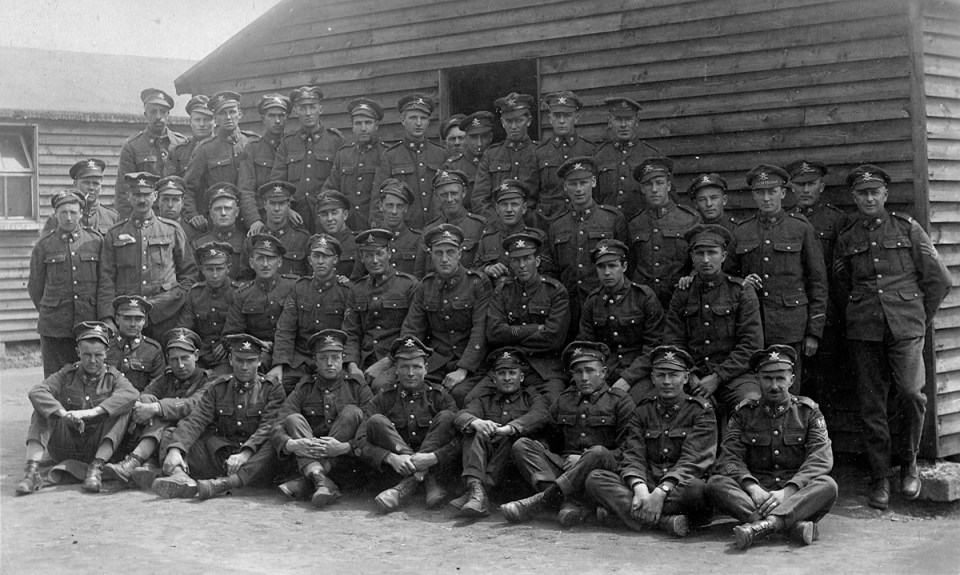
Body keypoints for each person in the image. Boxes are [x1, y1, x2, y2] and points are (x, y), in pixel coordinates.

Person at [835, 165, 951, 509]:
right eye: (862, 193)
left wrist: (919, 318)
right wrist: (858, 313)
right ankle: (880, 477)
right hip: (864, 330)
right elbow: (841, 287)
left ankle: (910, 463)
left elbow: (939, 280)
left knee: (912, 393)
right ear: (854, 197)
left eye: (875, 192)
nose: (869, 198)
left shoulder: (908, 228)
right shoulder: (847, 237)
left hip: (906, 327)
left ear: (885, 194)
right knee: (872, 405)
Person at [706, 345, 838, 550]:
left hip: (795, 494)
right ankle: (791, 526)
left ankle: (765, 525)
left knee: (828, 485)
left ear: (791, 380)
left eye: (780, 378)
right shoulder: (743, 413)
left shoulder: (808, 412)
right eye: (767, 378)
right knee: (716, 483)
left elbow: (820, 459)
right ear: (757, 379)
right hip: (757, 495)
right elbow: (729, 458)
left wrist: (789, 491)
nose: (774, 385)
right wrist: (753, 488)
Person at [586, 345, 716, 537]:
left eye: (673, 375)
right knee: (595, 479)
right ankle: (664, 522)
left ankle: (626, 514)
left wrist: (661, 492)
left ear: (686, 378)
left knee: (697, 489)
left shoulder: (701, 411)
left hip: (678, 488)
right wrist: (640, 490)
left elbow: (694, 460)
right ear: (652, 378)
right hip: (648, 486)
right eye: (660, 375)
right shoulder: (642, 410)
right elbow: (633, 454)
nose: (666, 381)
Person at [500, 341, 635, 526]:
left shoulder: (620, 401)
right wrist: (546, 449)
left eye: (589, 371)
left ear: (603, 373)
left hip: (600, 471)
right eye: (578, 372)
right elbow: (550, 438)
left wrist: (584, 460)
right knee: (522, 445)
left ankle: (542, 501)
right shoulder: (564, 400)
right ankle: (567, 502)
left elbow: (629, 449)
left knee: (597, 452)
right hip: (565, 467)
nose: (584, 377)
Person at [726, 164, 827, 388]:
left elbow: (818, 282)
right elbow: (727, 276)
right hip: (753, 325)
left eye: (772, 191)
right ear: (753, 195)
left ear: (783, 193)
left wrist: (814, 332)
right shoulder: (742, 231)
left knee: (789, 388)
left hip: (791, 325)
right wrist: (742, 281)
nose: (766, 198)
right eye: (760, 192)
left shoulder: (800, 228)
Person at [152, 333, 285, 500]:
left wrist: (244, 454)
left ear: (259, 361)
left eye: (250, 361)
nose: (244, 367)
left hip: (253, 459)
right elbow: (196, 419)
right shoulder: (219, 387)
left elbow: (267, 427)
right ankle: (180, 477)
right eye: (239, 360)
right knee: (171, 434)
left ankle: (225, 483)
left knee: (274, 441)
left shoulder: (272, 389)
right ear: (230, 359)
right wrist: (175, 450)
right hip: (222, 455)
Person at [17, 321, 137, 495]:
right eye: (87, 355)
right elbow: (37, 391)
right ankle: (31, 473)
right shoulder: (67, 374)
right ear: (77, 353)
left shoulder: (114, 377)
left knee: (122, 410)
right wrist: (63, 414)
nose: (93, 361)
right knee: (42, 410)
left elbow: (131, 394)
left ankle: (96, 469)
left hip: (97, 446)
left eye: (98, 355)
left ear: (106, 354)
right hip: (65, 445)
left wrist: (93, 411)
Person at [665, 224, 763, 417]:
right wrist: (690, 375)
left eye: (712, 252)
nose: (706, 259)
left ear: (724, 256)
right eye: (699, 253)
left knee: (752, 402)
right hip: (693, 375)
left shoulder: (741, 291)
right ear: (692, 257)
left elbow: (751, 344)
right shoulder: (683, 292)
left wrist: (718, 377)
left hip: (735, 375)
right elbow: (673, 341)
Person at [356, 336, 459, 513]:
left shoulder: (439, 397)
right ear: (396, 369)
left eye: (416, 367)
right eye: (404, 367)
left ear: (426, 369)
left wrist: (433, 457)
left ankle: (407, 486)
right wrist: (390, 457)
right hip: (395, 470)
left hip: (436, 468)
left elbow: (460, 440)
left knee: (448, 417)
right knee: (376, 421)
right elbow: (360, 441)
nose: (410, 373)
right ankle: (422, 478)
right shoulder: (383, 398)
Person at [272, 329, 373, 508]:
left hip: (347, 463)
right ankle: (321, 482)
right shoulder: (304, 387)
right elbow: (278, 425)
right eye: (323, 358)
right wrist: (291, 444)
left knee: (352, 412)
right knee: (293, 419)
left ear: (343, 358)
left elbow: (371, 425)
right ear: (315, 360)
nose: (329, 363)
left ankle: (308, 481)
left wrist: (346, 447)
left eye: (335, 357)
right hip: (311, 455)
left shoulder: (357, 386)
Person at [103, 327, 213, 489]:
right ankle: (148, 466)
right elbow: (145, 394)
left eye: (185, 358)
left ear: (196, 356)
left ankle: (136, 460)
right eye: (174, 360)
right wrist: (144, 405)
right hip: (163, 437)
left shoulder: (209, 380)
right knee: (148, 401)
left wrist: (157, 407)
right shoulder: (166, 377)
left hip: (193, 438)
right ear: (168, 359)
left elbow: (194, 404)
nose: (180, 365)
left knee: (159, 412)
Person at [400, 223, 493, 407]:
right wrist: (408, 362)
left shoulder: (477, 283)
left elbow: (480, 330)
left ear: (460, 253)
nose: (444, 259)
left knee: (458, 394)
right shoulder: (425, 286)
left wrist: (463, 369)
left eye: (450, 252)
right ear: (431, 255)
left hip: (471, 365)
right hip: (437, 362)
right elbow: (412, 329)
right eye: (438, 252)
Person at [450, 348, 550, 517]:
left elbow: (541, 414)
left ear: (522, 377)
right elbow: (461, 416)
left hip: (514, 470)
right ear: (494, 379)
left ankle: (479, 492)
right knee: (474, 431)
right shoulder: (485, 400)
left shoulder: (531, 397)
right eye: (502, 373)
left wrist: (509, 429)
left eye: (512, 373)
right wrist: (477, 422)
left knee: (514, 437)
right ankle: (477, 491)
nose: (507, 378)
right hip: (487, 462)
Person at [98, 172, 198, 340]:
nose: (142, 200)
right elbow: (106, 280)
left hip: (166, 316)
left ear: (155, 196)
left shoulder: (171, 229)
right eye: (137, 195)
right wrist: (108, 317)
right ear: (128, 196)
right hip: (129, 317)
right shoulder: (115, 233)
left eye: (147, 195)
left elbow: (189, 274)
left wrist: (175, 301)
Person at [785, 160, 849, 403]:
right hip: (792, 314)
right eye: (799, 185)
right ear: (791, 188)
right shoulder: (785, 219)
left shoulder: (836, 219)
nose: (805, 190)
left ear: (822, 186)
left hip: (826, 317)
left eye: (811, 184)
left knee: (824, 385)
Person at [485, 232, 570, 402]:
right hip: (507, 365)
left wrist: (511, 335)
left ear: (537, 261)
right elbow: (493, 333)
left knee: (553, 405)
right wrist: (534, 329)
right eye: (516, 260)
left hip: (545, 368)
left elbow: (553, 338)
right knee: (473, 398)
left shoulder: (555, 291)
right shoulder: (503, 291)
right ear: (510, 263)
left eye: (527, 259)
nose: (522, 265)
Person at [547, 157, 628, 334]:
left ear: (593, 182)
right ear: (564, 186)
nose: (578, 189)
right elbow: (552, 270)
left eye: (583, 183)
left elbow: (627, 265)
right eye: (572, 184)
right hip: (569, 309)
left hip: (607, 306)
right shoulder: (557, 226)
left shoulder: (612, 219)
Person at [578, 239, 664, 402]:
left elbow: (653, 347)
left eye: (612, 266)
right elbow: (586, 345)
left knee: (631, 405)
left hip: (639, 373)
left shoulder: (643, 297)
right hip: (603, 373)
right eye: (601, 267)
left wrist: (627, 379)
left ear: (624, 267)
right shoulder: (593, 301)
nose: (607, 272)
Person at [29, 190, 103, 377]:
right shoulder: (44, 245)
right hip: (55, 325)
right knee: (55, 378)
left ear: (80, 213)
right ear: (55, 214)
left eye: (73, 212)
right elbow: (35, 287)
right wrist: (52, 309)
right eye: (63, 213)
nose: (69, 218)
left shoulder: (95, 241)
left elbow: (104, 282)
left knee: (90, 378)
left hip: (88, 322)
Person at [272, 234, 351, 393]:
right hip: (301, 360)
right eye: (316, 256)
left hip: (332, 359)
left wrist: (348, 363)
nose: (320, 261)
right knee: (277, 387)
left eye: (325, 256)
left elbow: (351, 332)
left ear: (335, 260)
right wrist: (279, 365)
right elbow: (286, 329)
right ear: (309, 260)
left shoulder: (346, 291)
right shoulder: (299, 288)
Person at [343, 228, 419, 388]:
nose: (375, 260)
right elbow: (351, 332)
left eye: (379, 253)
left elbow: (412, 332)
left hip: (398, 359)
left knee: (380, 386)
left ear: (389, 254)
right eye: (369, 255)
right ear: (362, 258)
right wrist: (352, 365)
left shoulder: (408, 285)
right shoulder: (357, 289)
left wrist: (387, 362)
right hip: (364, 359)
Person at [269, 86, 344, 234]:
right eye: (303, 108)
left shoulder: (336, 140)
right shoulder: (288, 142)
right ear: (296, 111)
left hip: (327, 217)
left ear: (320, 109)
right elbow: (277, 181)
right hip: (296, 217)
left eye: (312, 107)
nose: (308, 113)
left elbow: (342, 181)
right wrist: (287, 210)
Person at [628, 157, 701, 309]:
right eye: (648, 184)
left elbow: (699, 259)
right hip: (643, 302)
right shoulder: (635, 223)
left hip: (678, 298)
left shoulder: (689, 219)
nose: (654, 189)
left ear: (668, 186)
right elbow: (630, 264)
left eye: (659, 183)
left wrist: (691, 279)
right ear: (642, 189)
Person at [183, 91, 259, 230]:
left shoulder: (253, 143)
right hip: (219, 222)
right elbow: (187, 188)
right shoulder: (205, 149)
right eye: (223, 113)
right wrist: (192, 214)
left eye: (232, 112)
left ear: (240, 114)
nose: (228, 117)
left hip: (252, 221)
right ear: (216, 118)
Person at [370, 93, 447, 229]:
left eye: (423, 118)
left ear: (428, 122)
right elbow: (378, 200)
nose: (418, 123)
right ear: (403, 120)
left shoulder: (441, 154)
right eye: (413, 118)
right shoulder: (390, 156)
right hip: (404, 232)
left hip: (436, 230)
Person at [222, 234, 297, 371]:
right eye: (260, 259)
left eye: (270, 259)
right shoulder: (242, 295)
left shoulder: (294, 287)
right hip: (256, 355)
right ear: (251, 263)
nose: (265, 264)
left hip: (292, 352)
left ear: (280, 262)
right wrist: (257, 344)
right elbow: (230, 337)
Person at [114, 88, 187, 219]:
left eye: (163, 112)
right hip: (145, 218)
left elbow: (188, 186)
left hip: (177, 217)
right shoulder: (132, 146)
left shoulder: (181, 143)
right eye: (153, 112)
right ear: (145, 114)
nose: (158, 116)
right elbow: (123, 191)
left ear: (168, 114)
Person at [322, 97, 387, 231]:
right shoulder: (343, 154)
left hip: (375, 226)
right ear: (352, 126)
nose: (363, 128)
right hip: (347, 226)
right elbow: (330, 188)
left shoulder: (386, 154)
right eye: (358, 123)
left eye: (367, 123)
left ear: (377, 125)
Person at [472, 93, 539, 220]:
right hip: (498, 228)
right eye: (509, 121)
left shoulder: (540, 153)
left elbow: (546, 195)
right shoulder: (491, 155)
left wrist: (531, 221)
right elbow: (479, 199)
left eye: (519, 121)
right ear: (502, 122)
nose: (513, 127)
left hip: (531, 227)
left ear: (529, 121)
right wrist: (498, 223)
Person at [592, 97, 661, 220]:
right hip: (608, 228)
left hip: (642, 228)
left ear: (637, 121)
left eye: (628, 119)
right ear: (609, 122)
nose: (623, 125)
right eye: (618, 119)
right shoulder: (599, 157)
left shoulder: (652, 155)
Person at [176, 241, 239, 374]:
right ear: (202, 269)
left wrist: (228, 344)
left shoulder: (239, 293)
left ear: (229, 268)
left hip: (229, 356)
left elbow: (246, 329)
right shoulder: (194, 294)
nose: (215, 275)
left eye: (220, 269)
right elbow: (184, 329)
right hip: (201, 355)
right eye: (210, 269)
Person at [473, 179, 552, 282]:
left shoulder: (537, 237)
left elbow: (548, 274)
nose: (509, 210)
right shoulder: (487, 239)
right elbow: (474, 272)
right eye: (504, 205)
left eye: (514, 204)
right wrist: (487, 269)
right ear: (497, 208)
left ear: (523, 208)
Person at [535, 91, 596, 222]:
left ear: (577, 117)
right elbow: (532, 195)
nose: (562, 121)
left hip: (583, 222)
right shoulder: (539, 152)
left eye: (567, 116)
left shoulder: (589, 150)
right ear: (550, 119)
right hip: (548, 222)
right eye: (557, 116)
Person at [239, 93, 292, 236]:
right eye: (272, 116)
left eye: (281, 115)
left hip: (291, 219)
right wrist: (253, 220)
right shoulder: (252, 148)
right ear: (263, 119)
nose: (277, 121)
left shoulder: (294, 146)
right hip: (262, 221)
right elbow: (246, 190)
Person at [422, 169, 486, 274]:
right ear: (438, 196)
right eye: (444, 195)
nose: (450, 199)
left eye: (454, 193)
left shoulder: (479, 226)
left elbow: (482, 267)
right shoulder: (429, 229)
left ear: (464, 193)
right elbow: (420, 273)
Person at [41, 159, 119, 236]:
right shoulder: (59, 218)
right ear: (75, 184)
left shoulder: (112, 218)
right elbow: (45, 246)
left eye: (96, 183)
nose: (91, 188)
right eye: (86, 183)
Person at [250, 181, 311, 277]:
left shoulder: (303, 239)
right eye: (272, 203)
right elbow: (245, 280)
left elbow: (309, 279)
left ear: (288, 205)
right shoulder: (252, 240)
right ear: (265, 204)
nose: (277, 209)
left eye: (281, 203)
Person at [191, 183, 250, 280]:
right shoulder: (198, 244)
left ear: (237, 212)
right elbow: (194, 278)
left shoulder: (247, 242)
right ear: (210, 213)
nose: (223, 213)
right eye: (218, 209)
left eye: (228, 208)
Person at [106, 295, 165, 392]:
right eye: (127, 318)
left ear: (144, 321)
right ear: (117, 319)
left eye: (138, 319)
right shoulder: (105, 345)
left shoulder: (153, 350)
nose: (133, 324)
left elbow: (157, 387)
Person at [370, 179, 425, 277]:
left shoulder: (418, 240)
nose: (394, 211)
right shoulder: (370, 238)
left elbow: (421, 277)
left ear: (406, 208)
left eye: (399, 206)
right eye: (389, 205)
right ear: (381, 206)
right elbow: (358, 280)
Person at [443, 111, 495, 205]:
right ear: (466, 138)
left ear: (491, 137)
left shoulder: (499, 160)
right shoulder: (453, 166)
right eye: (474, 137)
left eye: (484, 137)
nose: (479, 143)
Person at [164, 95, 215, 179]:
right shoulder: (178, 152)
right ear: (190, 122)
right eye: (197, 120)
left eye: (206, 120)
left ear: (215, 121)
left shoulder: (223, 147)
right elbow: (172, 184)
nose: (202, 124)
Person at [315, 190, 359, 279]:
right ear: (319, 219)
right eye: (324, 214)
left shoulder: (357, 244)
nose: (330, 218)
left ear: (345, 215)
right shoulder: (315, 244)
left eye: (334, 213)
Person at [155, 175, 205, 245]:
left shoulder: (194, 232)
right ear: (157, 201)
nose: (170, 205)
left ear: (182, 202)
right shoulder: (150, 230)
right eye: (165, 199)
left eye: (175, 200)